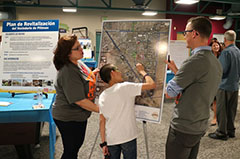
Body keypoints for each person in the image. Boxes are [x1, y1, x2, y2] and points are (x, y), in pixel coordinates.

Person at [165, 16, 222, 159]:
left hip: (184, 127)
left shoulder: (194, 61)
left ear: (194, 33)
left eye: (186, 32)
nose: (185, 36)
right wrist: (177, 71)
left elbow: (169, 93)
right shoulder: (214, 61)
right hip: (199, 124)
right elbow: (196, 85)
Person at [52, 35, 99, 159]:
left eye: (80, 46)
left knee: (75, 146)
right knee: (71, 150)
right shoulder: (68, 71)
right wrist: (102, 109)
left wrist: (93, 74)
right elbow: (80, 101)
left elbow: (83, 78)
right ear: (68, 53)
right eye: (77, 48)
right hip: (68, 117)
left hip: (78, 116)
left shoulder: (78, 63)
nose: (81, 49)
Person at [98, 63, 156, 159]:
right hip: (128, 136)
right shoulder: (125, 87)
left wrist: (104, 143)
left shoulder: (102, 95)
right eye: (117, 70)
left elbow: (102, 121)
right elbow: (151, 84)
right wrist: (142, 71)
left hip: (111, 139)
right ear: (113, 73)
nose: (120, 72)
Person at [208, 30, 240, 140]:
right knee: (231, 110)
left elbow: (221, 70)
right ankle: (231, 131)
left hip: (224, 87)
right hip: (235, 87)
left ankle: (221, 132)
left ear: (225, 40)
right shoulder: (238, 51)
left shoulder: (226, 52)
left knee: (222, 110)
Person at [209, 39, 222, 126]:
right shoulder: (209, 57)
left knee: (215, 101)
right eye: (214, 46)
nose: (216, 47)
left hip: (219, 82)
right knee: (211, 101)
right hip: (210, 81)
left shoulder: (222, 56)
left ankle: (215, 118)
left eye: (217, 45)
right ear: (211, 47)